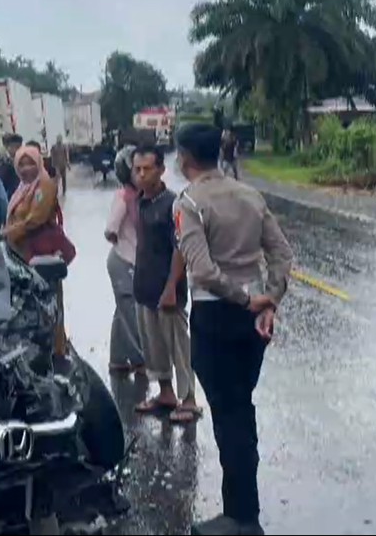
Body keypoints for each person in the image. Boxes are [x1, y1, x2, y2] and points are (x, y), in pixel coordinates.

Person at [174, 122, 293, 536]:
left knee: (230, 417)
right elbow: (282, 254)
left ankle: (242, 517)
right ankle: (242, 511)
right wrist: (268, 300)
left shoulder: (189, 202)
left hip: (217, 316)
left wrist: (245, 300)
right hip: (254, 320)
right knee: (240, 409)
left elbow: (203, 272)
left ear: (184, 157)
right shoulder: (250, 195)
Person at [131, 146, 201, 425]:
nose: (141, 174)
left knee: (179, 349)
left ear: (161, 170)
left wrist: (172, 287)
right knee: (154, 348)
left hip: (168, 291)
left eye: (147, 168)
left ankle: (189, 400)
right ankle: (165, 393)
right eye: (137, 169)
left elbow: (180, 248)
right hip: (144, 289)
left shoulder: (173, 204)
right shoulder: (140, 201)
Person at [2, 145, 68, 353]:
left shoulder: (44, 186)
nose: (26, 168)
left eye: (30, 162)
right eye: (21, 164)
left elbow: (35, 219)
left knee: (50, 300)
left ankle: (56, 349)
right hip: (23, 255)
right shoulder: (23, 187)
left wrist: (7, 233)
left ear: (39, 162)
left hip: (42, 255)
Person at [105, 146, 144, 373]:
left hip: (130, 260)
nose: (142, 174)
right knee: (130, 312)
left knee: (122, 311)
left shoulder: (140, 196)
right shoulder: (124, 197)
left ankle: (117, 360)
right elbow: (110, 230)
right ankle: (139, 360)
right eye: (136, 169)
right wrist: (127, 242)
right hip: (123, 261)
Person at [0, 133, 23, 199]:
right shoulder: (2, 164)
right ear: (8, 147)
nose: (16, 150)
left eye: (18, 147)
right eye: (14, 147)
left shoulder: (24, 161)